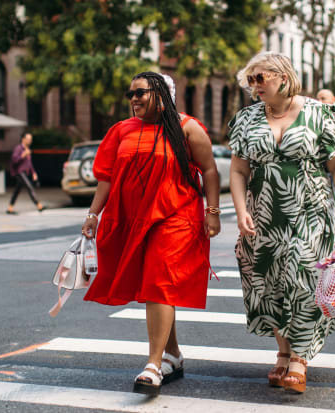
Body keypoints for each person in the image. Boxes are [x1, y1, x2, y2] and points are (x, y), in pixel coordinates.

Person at [81, 72, 221, 396]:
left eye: (141, 92)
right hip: (134, 219)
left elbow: (210, 170)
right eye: (130, 93)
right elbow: (107, 177)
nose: (134, 98)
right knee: (151, 286)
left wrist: (213, 213)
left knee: (159, 282)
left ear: (162, 93)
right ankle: (172, 353)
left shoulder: (187, 127)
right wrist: (92, 214)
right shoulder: (121, 130)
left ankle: (153, 366)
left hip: (176, 216)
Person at [228, 52, 335, 394]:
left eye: (260, 78)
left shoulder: (318, 113)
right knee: (270, 285)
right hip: (264, 215)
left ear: (283, 77)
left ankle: (299, 357)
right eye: (250, 80)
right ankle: (282, 352)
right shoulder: (246, 118)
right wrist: (240, 211)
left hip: (310, 212)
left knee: (303, 280)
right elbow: (238, 170)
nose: (254, 86)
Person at [6, 132, 45, 214]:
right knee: (29, 186)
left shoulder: (27, 149)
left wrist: (33, 172)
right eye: (28, 139)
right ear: (23, 139)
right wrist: (23, 155)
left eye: (31, 139)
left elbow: (29, 163)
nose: (30, 141)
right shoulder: (18, 148)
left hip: (25, 172)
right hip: (19, 172)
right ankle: (39, 205)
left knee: (17, 190)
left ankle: (10, 208)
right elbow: (14, 160)